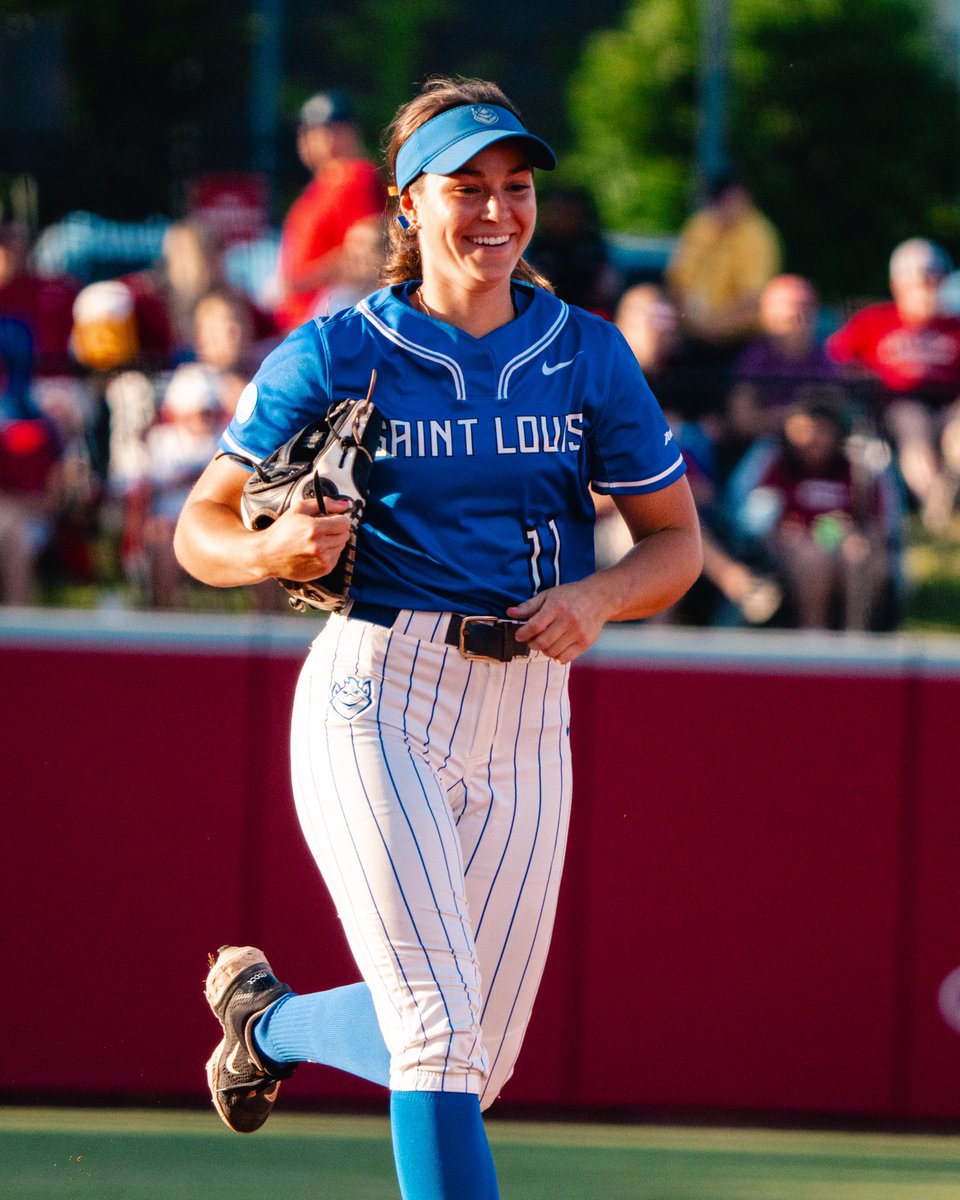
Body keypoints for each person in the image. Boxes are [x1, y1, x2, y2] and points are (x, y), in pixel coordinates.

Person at [174, 76, 701, 1200]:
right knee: (438, 1034)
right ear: (408, 207)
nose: (498, 212)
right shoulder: (337, 351)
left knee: (475, 1056)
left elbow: (674, 547)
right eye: (467, 189)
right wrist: (271, 554)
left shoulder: (585, 351)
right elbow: (200, 528)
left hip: (527, 710)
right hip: (381, 687)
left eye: (515, 188)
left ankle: (269, 1030)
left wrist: (601, 598)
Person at [827, 237, 960, 533]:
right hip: (896, 404)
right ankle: (936, 508)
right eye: (921, 280)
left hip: (950, 404)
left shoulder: (954, 325)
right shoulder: (874, 320)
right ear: (899, 285)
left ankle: (946, 501)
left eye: (935, 279)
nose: (929, 288)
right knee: (912, 422)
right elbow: (833, 361)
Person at [664, 172, 782, 420]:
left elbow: (753, 296)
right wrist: (690, 321)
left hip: (739, 341)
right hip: (695, 340)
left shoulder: (757, 233)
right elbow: (677, 279)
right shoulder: (699, 226)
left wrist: (712, 326)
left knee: (724, 412)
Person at [274, 89, 387, 332]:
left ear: (348, 132)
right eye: (307, 131)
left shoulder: (357, 177)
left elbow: (367, 254)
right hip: (302, 316)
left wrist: (300, 280)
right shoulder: (322, 183)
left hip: (331, 314)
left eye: (322, 130)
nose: (308, 139)